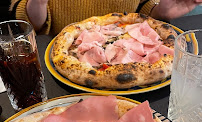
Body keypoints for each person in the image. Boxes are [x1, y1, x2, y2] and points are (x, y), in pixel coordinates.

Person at [10, 0, 202, 35]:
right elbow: (27, 24)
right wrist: (39, 3)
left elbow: (141, 7)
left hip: (133, 60)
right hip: (66, 62)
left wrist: (160, 13)